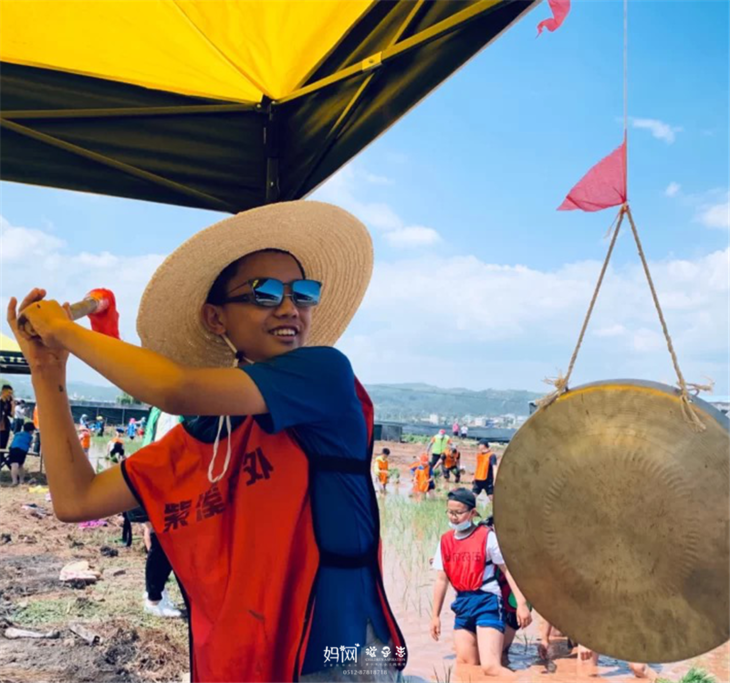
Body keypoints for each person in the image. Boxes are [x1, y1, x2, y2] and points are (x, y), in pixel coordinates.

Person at [8, 200, 406, 683]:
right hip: (248, 663)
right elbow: (77, 500)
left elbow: (175, 389)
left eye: (303, 293)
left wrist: (64, 331)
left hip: (340, 657)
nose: (289, 308)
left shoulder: (326, 374)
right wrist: (46, 368)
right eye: (264, 293)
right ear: (216, 319)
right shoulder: (204, 437)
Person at [430, 488, 531, 677]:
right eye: (450, 512)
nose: (453, 517)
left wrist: (521, 604)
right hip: (462, 604)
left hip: (487, 601)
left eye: (458, 512)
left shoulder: (486, 536)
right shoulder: (445, 541)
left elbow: (507, 570)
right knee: (466, 665)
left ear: (472, 513)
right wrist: (435, 616)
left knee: (490, 667)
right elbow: (441, 580)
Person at [7, 422, 35, 486]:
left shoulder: (17, 434)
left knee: (14, 465)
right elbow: (30, 445)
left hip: (13, 448)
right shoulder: (30, 436)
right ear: (31, 431)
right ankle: (21, 480)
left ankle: (14, 481)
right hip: (22, 450)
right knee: (20, 465)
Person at [0, 384, 14, 450]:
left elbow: (12, 415)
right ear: (3, 391)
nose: (10, 394)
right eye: (9, 392)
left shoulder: (8, 403)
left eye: (11, 393)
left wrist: (12, 405)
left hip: (5, 426)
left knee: (3, 445)